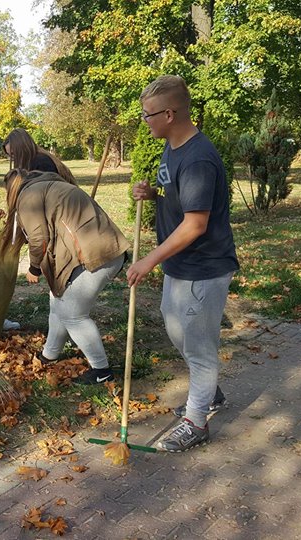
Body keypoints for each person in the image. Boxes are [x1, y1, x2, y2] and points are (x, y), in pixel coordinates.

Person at [126, 75, 239, 452]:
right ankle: (210, 394)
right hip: (180, 265)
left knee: (198, 346)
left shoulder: (198, 158)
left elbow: (196, 224)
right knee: (180, 334)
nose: (145, 121)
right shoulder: (172, 148)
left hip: (203, 268)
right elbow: (182, 200)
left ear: (169, 114)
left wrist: (148, 261)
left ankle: (197, 422)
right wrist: (155, 194)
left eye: (148, 115)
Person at [0, 168, 130, 385]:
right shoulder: (46, 185)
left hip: (97, 254)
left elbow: (38, 238)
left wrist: (34, 269)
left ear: (11, 191)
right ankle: (49, 354)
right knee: (57, 300)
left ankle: (102, 370)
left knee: (72, 314)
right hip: (103, 249)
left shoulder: (27, 197)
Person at [3, 128, 76, 184]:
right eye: (9, 155)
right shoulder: (34, 161)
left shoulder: (41, 162)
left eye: (13, 154)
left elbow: (48, 193)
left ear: (22, 147)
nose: (12, 158)